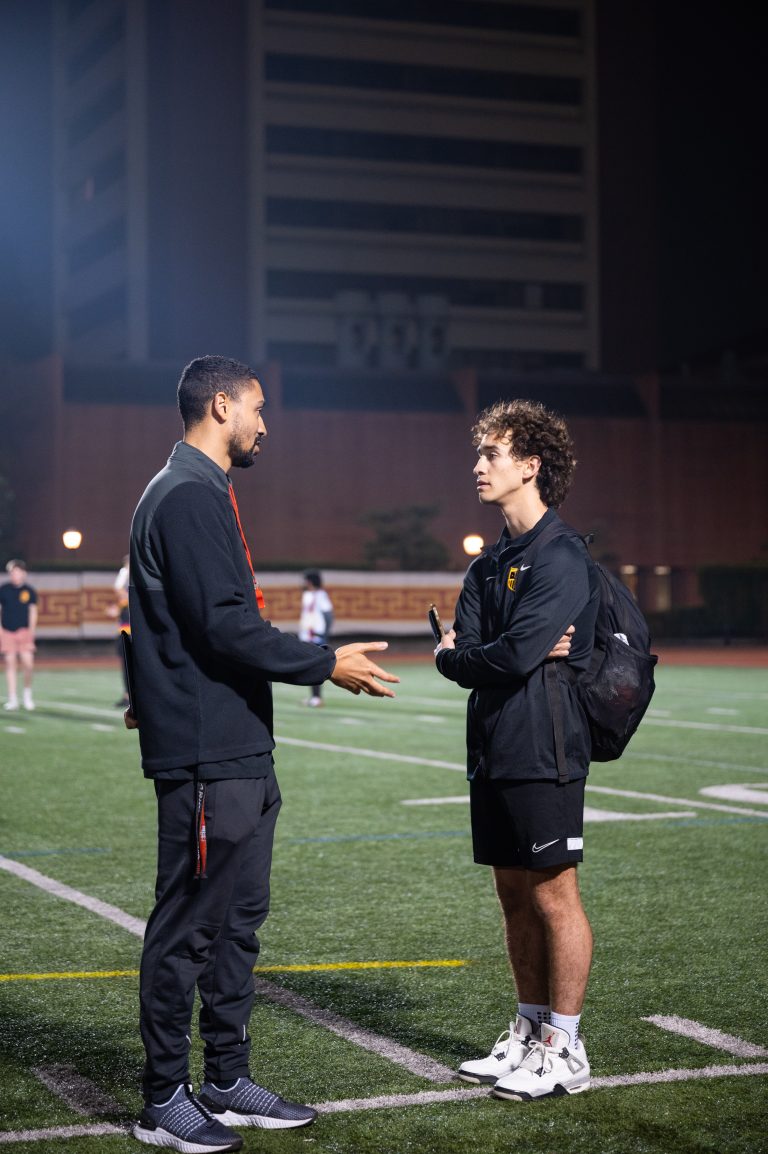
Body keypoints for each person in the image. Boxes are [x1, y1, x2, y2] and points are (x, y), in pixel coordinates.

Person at [126, 355, 399, 1153]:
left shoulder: (199, 489)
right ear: (222, 405)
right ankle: (162, 1099)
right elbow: (223, 626)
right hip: (206, 752)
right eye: (258, 407)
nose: (265, 424)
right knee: (189, 927)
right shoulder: (184, 494)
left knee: (237, 925)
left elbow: (206, 624)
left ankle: (226, 1078)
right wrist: (325, 662)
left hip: (238, 745)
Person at [434, 398, 599, 1101]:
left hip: (546, 747)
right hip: (492, 747)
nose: (479, 465)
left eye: (492, 454)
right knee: (511, 894)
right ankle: (529, 1033)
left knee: (554, 894)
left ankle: (566, 1045)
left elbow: (499, 656)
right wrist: (474, 655)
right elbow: (471, 655)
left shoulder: (562, 555)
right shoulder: (487, 566)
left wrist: (479, 654)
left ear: (530, 465)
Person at [0, 559, 38, 712]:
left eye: (17, 572)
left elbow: (33, 613)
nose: (14, 575)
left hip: (24, 631)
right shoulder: (3, 589)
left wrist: (31, 633)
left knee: (28, 664)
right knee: (10, 664)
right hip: (7, 631)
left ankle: (27, 696)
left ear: (24, 573)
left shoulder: (29, 591)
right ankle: (13, 699)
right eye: (12, 572)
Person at [298, 570, 334, 706]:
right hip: (307, 636)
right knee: (309, 667)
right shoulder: (306, 595)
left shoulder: (321, 595)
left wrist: (325, 633)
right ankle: (314, 696)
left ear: (310, 581)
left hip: (317, 636)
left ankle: (317, 697)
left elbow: (328, 615)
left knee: (315, 667)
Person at [105, 555, 130, 708]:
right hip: (124, 632)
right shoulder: (125, 594)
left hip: (137, 633)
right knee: (126, 666)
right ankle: (127, 695)